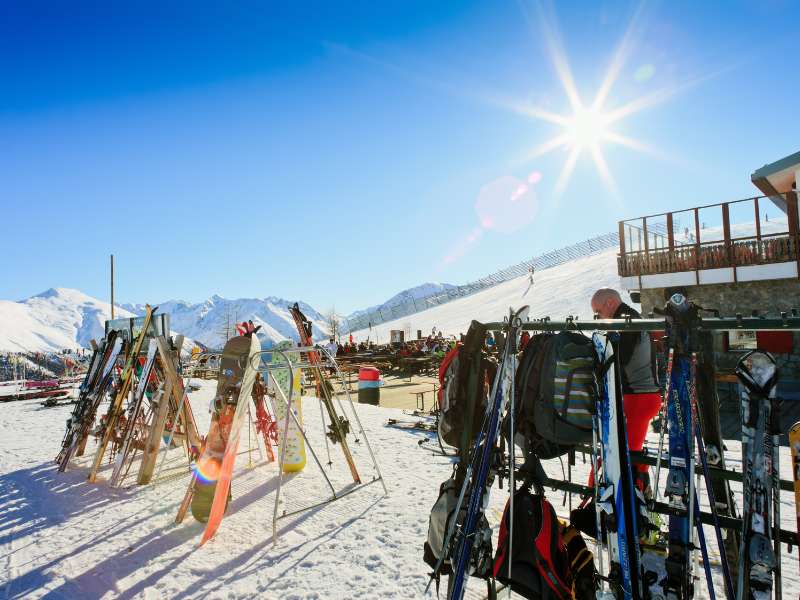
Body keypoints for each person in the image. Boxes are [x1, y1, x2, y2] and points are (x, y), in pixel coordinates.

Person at [590, 288, 661, 491]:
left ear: (611, 303)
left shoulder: (627, 321)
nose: (597, 317)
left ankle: (633, 499)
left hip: (638, 397)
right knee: (625, 451)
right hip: (636, 396)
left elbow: (620, 359)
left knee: (625, 454)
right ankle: (636, 497)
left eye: (598, 311)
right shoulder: (625, 319)